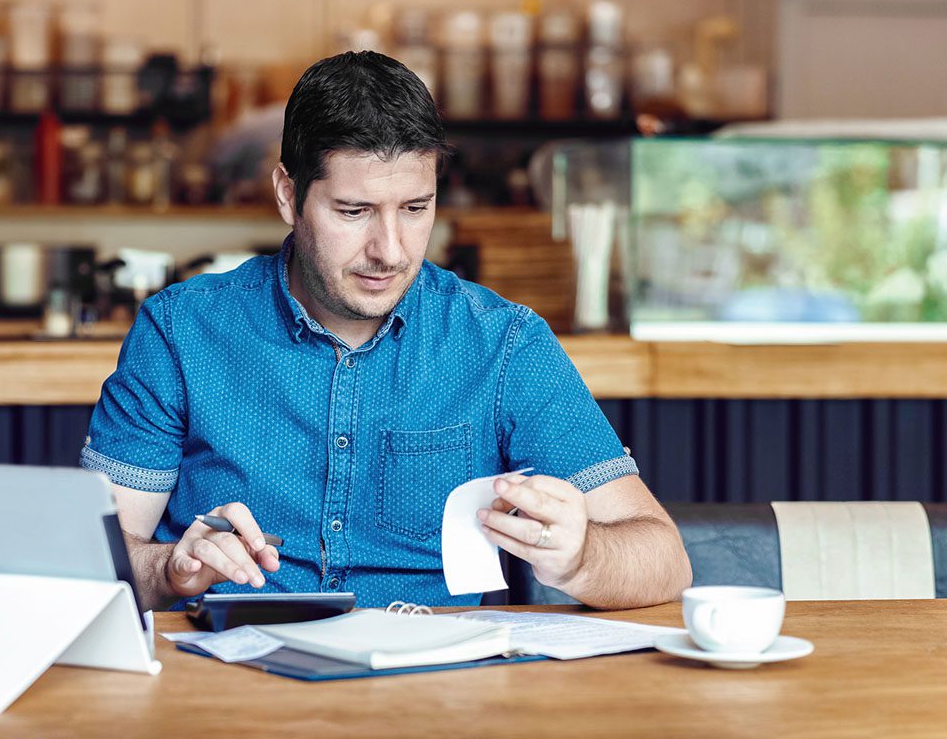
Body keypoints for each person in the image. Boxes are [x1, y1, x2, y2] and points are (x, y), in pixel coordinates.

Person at [80, 51, 691, 610]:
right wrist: (171, 569)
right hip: (235, 693)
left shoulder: (502, 344)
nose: (390, 251)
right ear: (288, 196)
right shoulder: (181, 333)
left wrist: (583, 558)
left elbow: (664, 561)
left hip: (431, 695)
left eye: (415, 209)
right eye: (354, 212)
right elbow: (86, 559)